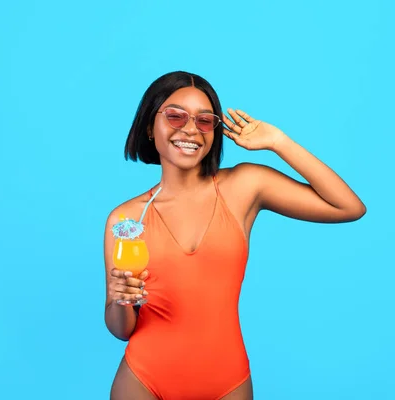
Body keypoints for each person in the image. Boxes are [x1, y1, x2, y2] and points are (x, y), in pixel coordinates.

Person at [103, 71, 366, 400]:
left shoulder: (243, 187)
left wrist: (278, 142)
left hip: (227, 382)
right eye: (175, 116)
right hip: (143, 381)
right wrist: (119, 298)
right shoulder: (127, 218)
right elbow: (121, 329)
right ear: (148, 126)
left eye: (204, 120)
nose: (189, 129)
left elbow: (348, 207)